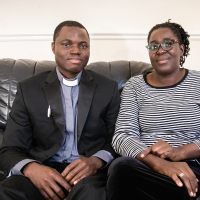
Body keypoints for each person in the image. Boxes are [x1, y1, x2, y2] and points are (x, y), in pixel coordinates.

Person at [0, 20, 120, 200]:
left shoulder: (107, 88)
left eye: (83, 45)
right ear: (53, 47)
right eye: (66, 44)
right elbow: (10, 148)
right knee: (7, 192)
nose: (76, 50)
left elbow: (118, 139)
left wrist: (96, 162)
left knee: (95, 194)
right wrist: (32, 169)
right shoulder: (29, 89)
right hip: (41, 167)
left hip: (88, 174)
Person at [107, 20, 200, 200]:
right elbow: (122, 136)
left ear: (181, 49)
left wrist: (179, 152)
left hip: (190, 166)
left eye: (168, 43)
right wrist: (159, 164)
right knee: (120, 168)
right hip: (145, 166)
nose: (160, 50)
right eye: (153, 45)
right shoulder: (135, 85)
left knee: (183, 184)